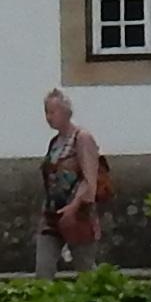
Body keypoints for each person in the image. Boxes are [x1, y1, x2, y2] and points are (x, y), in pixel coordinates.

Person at [34, 86, 112, 274]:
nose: (49, 117)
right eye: (46, 112)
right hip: (53, 215)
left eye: (53, 111)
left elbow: (90, 180)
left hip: (79, 215)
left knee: (85, 268)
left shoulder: (82, 138)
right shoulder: (55, 142)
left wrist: (74, 206)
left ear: (66, 112)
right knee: (43, 268)